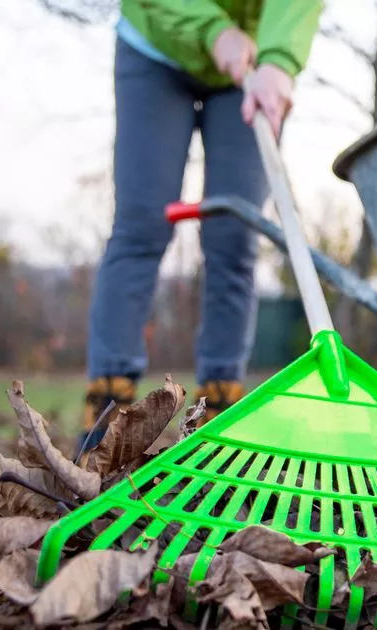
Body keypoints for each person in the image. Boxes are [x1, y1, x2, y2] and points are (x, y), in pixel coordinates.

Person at [81, 0, 323, 447]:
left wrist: (280, 59)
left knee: (235, 237)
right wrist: (213, 30)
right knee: (141, 227)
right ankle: (108, 412)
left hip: (250, 64)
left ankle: (220, 409)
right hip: (156, 44)